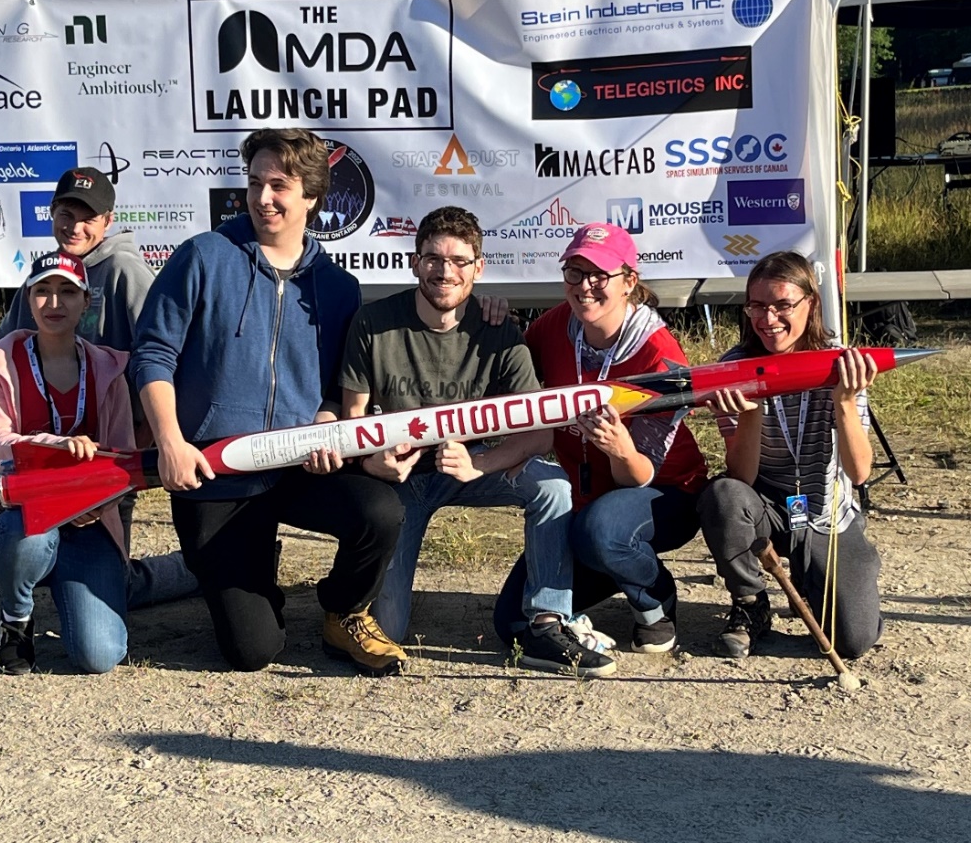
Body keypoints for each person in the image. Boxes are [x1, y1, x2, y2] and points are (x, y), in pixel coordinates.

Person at [129, 127, 408, 677]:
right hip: (215, 472)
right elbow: (152, 356)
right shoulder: (203, 257)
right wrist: (172, 442)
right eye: (254, 182)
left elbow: (338, 385)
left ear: (311, 196)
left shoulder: (339, 287)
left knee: (380, 512)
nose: (262, 198)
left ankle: (342, 611)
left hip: (299, 468)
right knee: (252, 652)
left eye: (278, 184)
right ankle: (240, 570)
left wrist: (328, 418)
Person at [0, 167, 197, 609]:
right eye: (66, 213)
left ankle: (198, 567)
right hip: (29, 442)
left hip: (98, 454)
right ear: (51, 216)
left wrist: (137, 448)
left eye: (88, 217)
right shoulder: (43, 277)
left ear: (108, 222)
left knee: (116, 593)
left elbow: (159, 364)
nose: (75, 226)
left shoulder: (126, 272)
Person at [340, 206, 613, 678]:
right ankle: (343, 600)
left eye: (460, 261)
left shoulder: (500, 331)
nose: (445, 271)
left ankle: (547, 622)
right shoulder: (373, 322)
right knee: (390, 630)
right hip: (402, 483)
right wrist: (374, 462)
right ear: (415, 261)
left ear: (478, 268)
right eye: (433, 258)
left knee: (552, 487)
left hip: (472, 471)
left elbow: (540, 433)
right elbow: (352, 419)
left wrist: (480, 463)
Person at [493, 223, 709, 656]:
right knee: (515, 622)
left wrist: (620, 447)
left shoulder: (659, 356)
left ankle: (654, 599)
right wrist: (492, 324)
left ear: (629, 282)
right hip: (584, 500)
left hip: (662, 493)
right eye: (575, 272)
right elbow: (509, 367)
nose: (585, 287)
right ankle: (612, 569)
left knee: (602, 532)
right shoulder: (555, 326)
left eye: (599, 275)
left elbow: (640, 473)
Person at [696, 250, 882, 660]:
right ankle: (750, 604)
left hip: (825, 514)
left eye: (783, 305)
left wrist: (845, 403)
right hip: (768, 509)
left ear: (810, 303)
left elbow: (860, 471)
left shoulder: (840, 363)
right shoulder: (734, 368)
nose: (768, 318)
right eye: (757, 306)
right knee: (722, 496)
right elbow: (741, 479)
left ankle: (823, 578)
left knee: (853, 640)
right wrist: (751, 413)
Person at [0, 252, 133, 674]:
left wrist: (100, 500)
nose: (54, 303)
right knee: (33, 541)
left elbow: (123, 456)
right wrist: (55, 445)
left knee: (99, 657)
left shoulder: (108, 367)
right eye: (43, 291)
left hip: (87, 518)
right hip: (21, 515)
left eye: (67, 292)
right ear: (28, 297)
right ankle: (16, 619)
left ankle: (72, 580)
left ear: (85, 302)